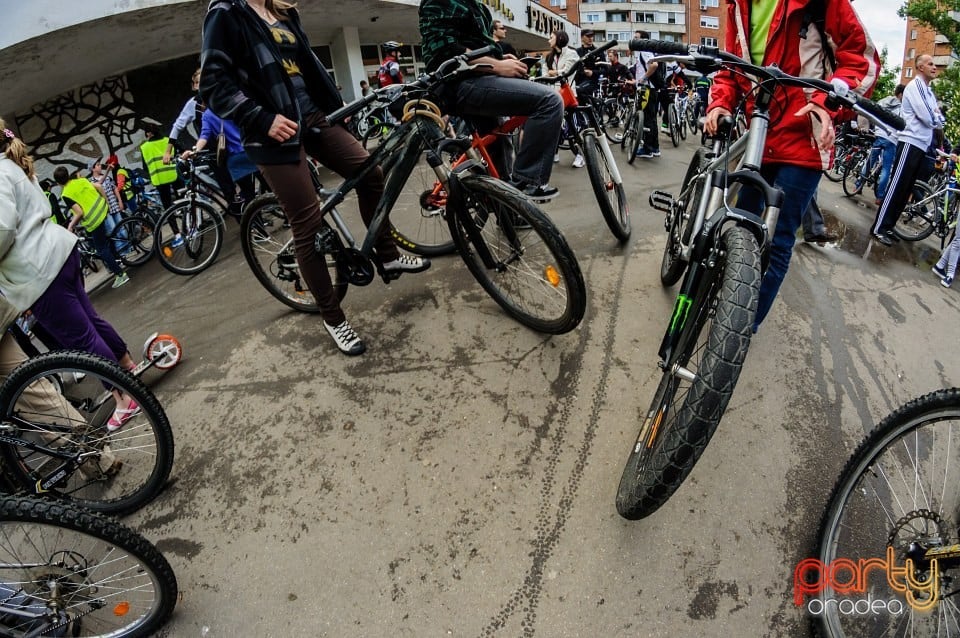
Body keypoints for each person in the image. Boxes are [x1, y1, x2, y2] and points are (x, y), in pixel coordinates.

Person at [201, 0, 431, 356]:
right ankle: (333, 317)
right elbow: (214, 84)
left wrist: (337, 110)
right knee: (307, 223)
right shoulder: (226, 13)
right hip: (271, 132)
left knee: (372, 173)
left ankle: (386, 255)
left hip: (312, 117)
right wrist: (261, 119)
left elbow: (307, 68)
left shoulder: (283, 11)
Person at [704, 0, 880, 330]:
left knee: (778, 238)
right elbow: (732, 68)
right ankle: (731, 303)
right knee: (743, 229)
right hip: (757, 132)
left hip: (803, 139)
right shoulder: (737, 5)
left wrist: (827, 103)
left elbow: (863, 59)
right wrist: (719, 103)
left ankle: (738, 331)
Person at [0, 122, 140, 431]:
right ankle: (128, 367)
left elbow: (3, 228)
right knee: (92, 321)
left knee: (81, 339)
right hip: (59, 254)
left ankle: (124, 397)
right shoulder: (12, 166)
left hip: (37, 272)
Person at [419, 0, 563, 200]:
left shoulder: (478, 7)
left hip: (476, 80)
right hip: (458, 85)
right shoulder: (441, 2)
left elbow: (477, 47)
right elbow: (446, 52)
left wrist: (501, 60)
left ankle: (509, 212)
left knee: (500, 150)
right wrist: (496, 66)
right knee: (549, 101)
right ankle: (527, 182)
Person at [872, 56, 945, 246]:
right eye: (930, 64)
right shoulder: (916, 86)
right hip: (910, 141)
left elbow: (939, 118)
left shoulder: (928, 92)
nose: (934, 67)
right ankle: (879, 227)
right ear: (920, 67)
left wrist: (936, 117)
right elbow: (928, 118)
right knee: (897, 186)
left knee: (905, 190)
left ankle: (888, 226)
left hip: (921, 145)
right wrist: (935, 118)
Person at [54, 165, 130, 289]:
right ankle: (116, 259)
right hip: (102, 210)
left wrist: (70, 226)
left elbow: (79, 213)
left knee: (101, 249)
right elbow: (99, 186)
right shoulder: (81, 180)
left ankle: (120, 274)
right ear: (68, 175)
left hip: (93, 220)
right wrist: (105, 202)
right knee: (104, 241)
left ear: (58, 183)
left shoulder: (66, 194)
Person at [182, 106, 260, 217]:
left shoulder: (207, 115)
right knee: (272, 185)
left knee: (248, 195)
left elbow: (204, 135)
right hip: (252, 149)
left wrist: (195, 151)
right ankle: (286, 216)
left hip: (235, 158)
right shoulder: (229, 104)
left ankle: (256, 226)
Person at [855, 84, 904, 206]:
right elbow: (902, 126)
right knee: (886, 168)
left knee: (869, 162)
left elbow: (873, 114)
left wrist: (876, 129)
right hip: (892, 139)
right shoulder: (902, 108)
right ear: (901, 95)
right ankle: (880, 197)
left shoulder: (883, 101)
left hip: (879, 134)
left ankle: (858, 185)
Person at [542, 29, 582, 168]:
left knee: (573, 127)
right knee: (555, 125)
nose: (548, 40)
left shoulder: (572, 53)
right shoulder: (550, 56)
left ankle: (580, 154)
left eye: (551, 37)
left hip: (568, 95)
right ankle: (555, 152)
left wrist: (554, 73)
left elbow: (567, 72)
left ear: (559, 38)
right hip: (554, 95)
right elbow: (545, 73)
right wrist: (554, 73)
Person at [163, 68, 203, 165]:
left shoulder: (220, 96)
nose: (199, 84)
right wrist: (168, 151)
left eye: (202, 81)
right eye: (196, 82)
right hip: (209, 148)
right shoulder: (194, 103)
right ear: (194, 85)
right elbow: (178, 126)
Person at [633, 29, 662, 159]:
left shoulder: (644, 51)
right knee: (651, 119)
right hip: (651, 89)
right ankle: (654, 147)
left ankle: (647, 149)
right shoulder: (646, 51)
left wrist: (643, 78)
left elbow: (654, 65)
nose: (634, 40)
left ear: (643, 40)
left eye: (636, 38)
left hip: (647, 89)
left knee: (646, 119)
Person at [574, 30, 599, 101]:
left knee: (579, 90)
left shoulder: (598, 51)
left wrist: (592, 73)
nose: (590, 38)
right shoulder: (577, 52)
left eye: (592, 36)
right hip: (578, 80)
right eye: (588, 36)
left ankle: (592, 109)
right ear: (582, 38)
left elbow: (606, 69)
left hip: (592, 81)